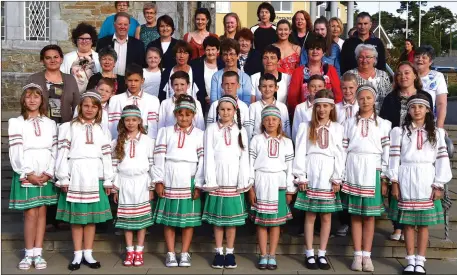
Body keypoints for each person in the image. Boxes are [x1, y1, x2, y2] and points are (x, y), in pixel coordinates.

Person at [387, 94, 452, 275]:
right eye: (413, 107)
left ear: (428, 110)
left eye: (421, 107)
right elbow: (394, 159)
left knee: (423, 225)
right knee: (407, 224)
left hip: (426, 178)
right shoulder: (400, 132)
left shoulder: (436, 133)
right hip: (406, 176)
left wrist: (438, 184)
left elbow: (441, 160)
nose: (417, 110)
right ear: (408, 110)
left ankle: (420, 260)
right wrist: (394, 182)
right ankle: (409, 260)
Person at [55, 91, 113, 271]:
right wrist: (63, 177)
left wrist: (108, 179)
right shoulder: (68, 127)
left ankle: (88, 252)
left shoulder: (101, 129)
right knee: (77, 218)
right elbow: (62, 153)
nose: (90, 109)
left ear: (99, 109)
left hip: (94, 175)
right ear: (80, 107)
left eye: (94, 106)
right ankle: (77, 254)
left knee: (91, 219)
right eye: (86, 105)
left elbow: (106, 156)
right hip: (76, 175)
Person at [341, 84, 391, 272]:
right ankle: (357, 254)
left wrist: (385, 176)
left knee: (369, 216)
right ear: (357, 100)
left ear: (374, 100)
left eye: (369, 98)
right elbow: (343, 150)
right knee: (355, 215)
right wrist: (342, 174)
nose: (365, 101)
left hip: (373, 169)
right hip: (354, 168)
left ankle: (367, 255)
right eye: (361, 98)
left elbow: (387, 152)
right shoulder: (348, 123)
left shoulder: (384, 124)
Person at [9, 83, 58, 270]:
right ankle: (28, 253)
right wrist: (28, 173)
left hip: (45, 168)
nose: (32, 100)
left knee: (42, 213)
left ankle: (38, 253)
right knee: (30, 213)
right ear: (23, 99)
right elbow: (16, 150)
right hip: (27, 168)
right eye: (28, 96)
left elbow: (54, 149)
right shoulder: (17, 122)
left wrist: (48, 172)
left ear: (42, 100)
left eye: (36, 96)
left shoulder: (50, 123)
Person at [293, 89, 344, 270]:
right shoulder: (305, 126)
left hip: (328, 173)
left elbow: (339, 154)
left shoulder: (338, 128)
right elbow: (300, 151)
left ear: (331, 107)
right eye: (319, 106)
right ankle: (309, 252)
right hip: (311, 170)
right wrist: (301, 175)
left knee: (326, 216)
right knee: (310, 214)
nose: (322, 109)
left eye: (326, 106)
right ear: (314, 107)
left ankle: (322, 253)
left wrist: (337, 177)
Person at [153, 95, 204, 268]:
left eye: (188, 114)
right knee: (170, 220)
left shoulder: (199, 135)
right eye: (180, 114)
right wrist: (158, 180)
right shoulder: (165, 132)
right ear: (175, 114)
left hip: (188, 179)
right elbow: (159, 157)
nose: (184, 117)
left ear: (193, 115)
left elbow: (202, 161)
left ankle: (184, 253)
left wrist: (198, 183)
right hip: (170, 178)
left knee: (188, 221)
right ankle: (170, 253)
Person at [202, 95, 250, 269]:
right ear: (217, 111)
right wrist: (210, 180)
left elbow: (244, 157)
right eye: (222, 109)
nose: (225, 112)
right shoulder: (211, 130)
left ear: (235, 111)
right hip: (217, 178)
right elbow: (208, 156)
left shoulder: (241, 131)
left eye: (229, 109)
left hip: (233, 179)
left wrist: (242, 180)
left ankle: (229, 252)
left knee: (231, 221)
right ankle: (218, 252)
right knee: (218, 220)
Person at [248, 105, 296, 270]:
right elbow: (250, 165)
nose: (270, 122)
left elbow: (290, 167)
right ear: (262, 122)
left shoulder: (287, 142)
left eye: (274, 119)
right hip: (261, 182)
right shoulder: (256, 140)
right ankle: (263, 254)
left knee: (275, 223)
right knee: (262, 223)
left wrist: (290, 189)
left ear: (279, 122)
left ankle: (272, 255)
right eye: (267, 119)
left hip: (279, 183)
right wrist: (251, 187)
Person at [111, 105, 155, 267]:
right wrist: (115, 187)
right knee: (127, 220)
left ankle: (139, 251)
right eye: (127, 120)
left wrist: (151, 187)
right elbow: (114, 166)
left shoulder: (147, 141)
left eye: (134, 120)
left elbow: (152, 164)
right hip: (125, 182)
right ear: (123, 121)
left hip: (142, 183)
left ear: (139, 121)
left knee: (141, 221)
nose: (130, 123)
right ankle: (129, 251)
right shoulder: (117, 141)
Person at [288, 36, 342, 116]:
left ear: (323, 52)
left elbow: (338, 96)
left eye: (318, 49)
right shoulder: (298, 72)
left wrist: (333, 114)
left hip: (328, 115)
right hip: (305, 115)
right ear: (307, 52)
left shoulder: (331, 70)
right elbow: (292, 99)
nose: (314, 51)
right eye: (311, 48)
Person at [29, 45, 80, 125]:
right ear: (42, 61)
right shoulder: (34, 79)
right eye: (48, 58)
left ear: (61, 59)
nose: (52, 60)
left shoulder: (70, 79)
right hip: (40, 126)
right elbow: (26, 103)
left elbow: (77, 105)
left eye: (56, 57)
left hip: (65, 126)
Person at [108, 64, 160, 140]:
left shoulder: (153, 100)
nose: (133, 84)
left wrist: (151, 143)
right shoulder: (116, 100)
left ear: (142, 81)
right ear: (125, 81)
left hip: (145, 143)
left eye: (136, 80)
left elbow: (154, 126)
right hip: (122, 142)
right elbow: (112, 125)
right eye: (130, 80)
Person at [380, 62, 433, 129]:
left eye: (407, 73)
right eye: (399, 74)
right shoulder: (390, 98)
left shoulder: (425, 97)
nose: (403, 76)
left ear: (415, 75)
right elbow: (383, 123)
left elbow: (430, 120)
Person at [96, 12, 145, 76]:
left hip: (128, 83)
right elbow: (98, 63)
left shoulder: (139, 45)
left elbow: (141, 67)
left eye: (125, 24)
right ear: (114, 25)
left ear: (129, 26)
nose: (122, 27)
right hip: (107, 82)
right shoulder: (102, 42)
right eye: (120, 24)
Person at [347, 44, 392, 113]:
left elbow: (389, 97)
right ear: (357, 58)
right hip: (356, 115)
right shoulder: (349, 75)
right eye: (361, 57)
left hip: (381, 116)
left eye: (368, 57)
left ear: (374, 59)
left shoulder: (383, 75)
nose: (364, 60)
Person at [247, 73, 290, 140]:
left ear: (276, 88)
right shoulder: (253, 107)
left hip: (278, 143)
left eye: (271, 86)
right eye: (264, 86)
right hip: (258, 144)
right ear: (259, 88)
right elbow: (249, 130)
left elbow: (287, 130)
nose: (267, 89)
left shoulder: (282, 107)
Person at [414, 45, 448, 128]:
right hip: (407, 123)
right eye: (417, 57)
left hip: (430, 124)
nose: (420, 59)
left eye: (424, 57)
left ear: (430, 61)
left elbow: (441, 104)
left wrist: (440, 127)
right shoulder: (407, 75)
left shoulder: (437, 76)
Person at [210, 39, 252, 106]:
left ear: (238, 55)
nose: (228, 57)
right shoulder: (216, 77)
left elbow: (246, 103)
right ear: (222, 57)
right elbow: (213, 101)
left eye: (231, 54)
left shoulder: (245, 78)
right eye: (225, 54)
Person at [61, 23, 101, 93]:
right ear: (76, 40)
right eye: (81, 38)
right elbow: (62, 77)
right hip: (73, 95)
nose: (84, 41)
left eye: (87, 39)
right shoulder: (68, 57)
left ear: (92, 41)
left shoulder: (99, 57)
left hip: (93, 96)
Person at [191, 36, 225, 115]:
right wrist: (205, 96)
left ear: (218, 50)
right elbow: (195, 83)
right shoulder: (196, 64)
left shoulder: (223, 64)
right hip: (202, 103)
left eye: (213, 49)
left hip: (220, 102)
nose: (210, 52)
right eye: (208, 50)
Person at [291, 75, 326, 140]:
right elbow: (296, 132)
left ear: (325, 88)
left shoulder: (330, 107)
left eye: (320, 86)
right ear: (307, 87)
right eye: (313, 86)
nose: (316, 89)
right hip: (306, 145)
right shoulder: (300, 108)